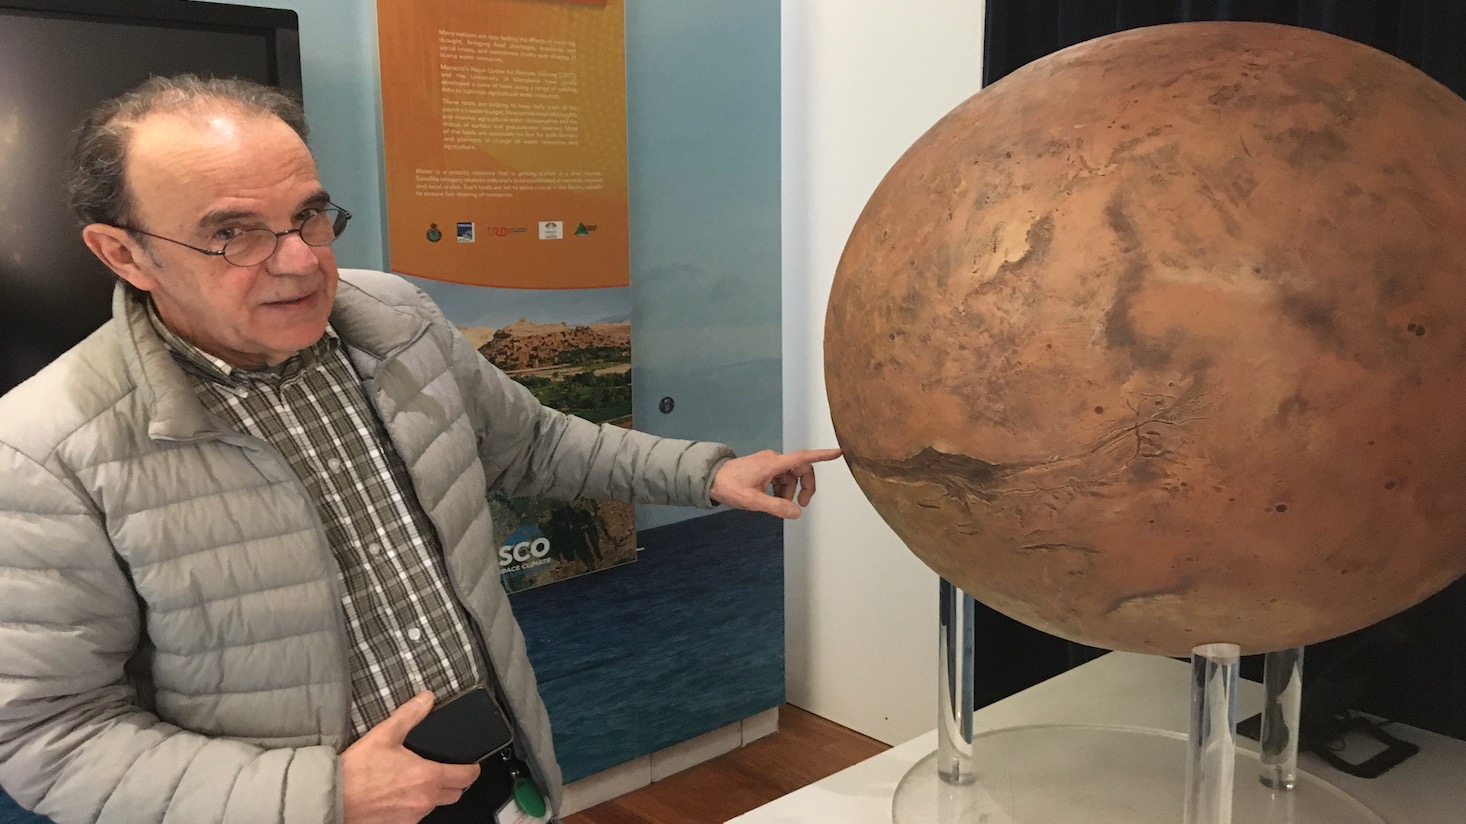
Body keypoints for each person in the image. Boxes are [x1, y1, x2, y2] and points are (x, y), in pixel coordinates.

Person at [0, 75, 840, 824]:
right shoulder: (48, 451)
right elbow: (49, 736)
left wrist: (708, 472)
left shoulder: (395, 320)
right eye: (233, 234)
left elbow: (533, 443)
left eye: (309, 217)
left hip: (493, 772)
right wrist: (325, 796)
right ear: (123, 252)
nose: (299, 262)